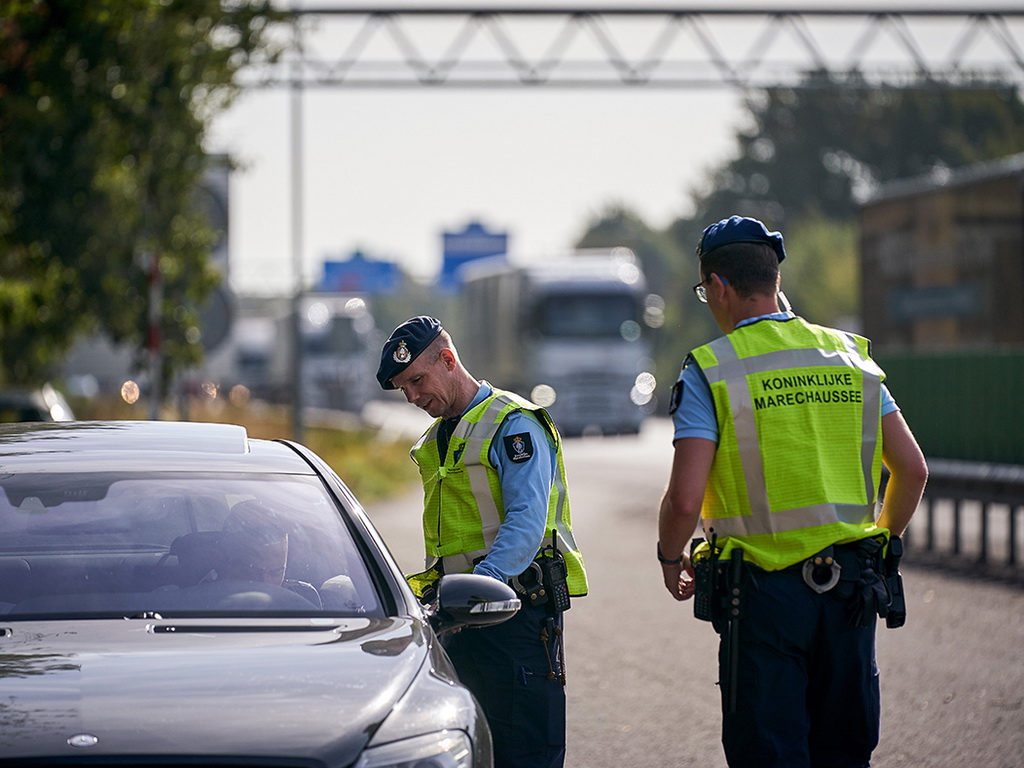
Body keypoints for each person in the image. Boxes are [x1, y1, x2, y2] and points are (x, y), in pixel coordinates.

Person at [657, 216, 928, 768]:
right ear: (774, 281)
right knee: (845, 753)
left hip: (762, 601)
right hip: (852, 590)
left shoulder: (711, 370)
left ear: (718, 287)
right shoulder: (850, 356)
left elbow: (684, 500)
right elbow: (913, 470)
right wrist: (881, 548)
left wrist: (668, 557)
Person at [375, 316, 588, 768]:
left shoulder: (512, 424)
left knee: (524, 751)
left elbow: (527, 522)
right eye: (402, 389)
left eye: (416, 380)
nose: (411, 397)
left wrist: (481, 585)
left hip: (514, 615)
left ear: (448, 360)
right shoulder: (437, 437)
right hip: (460, 618)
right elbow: (450, 542)